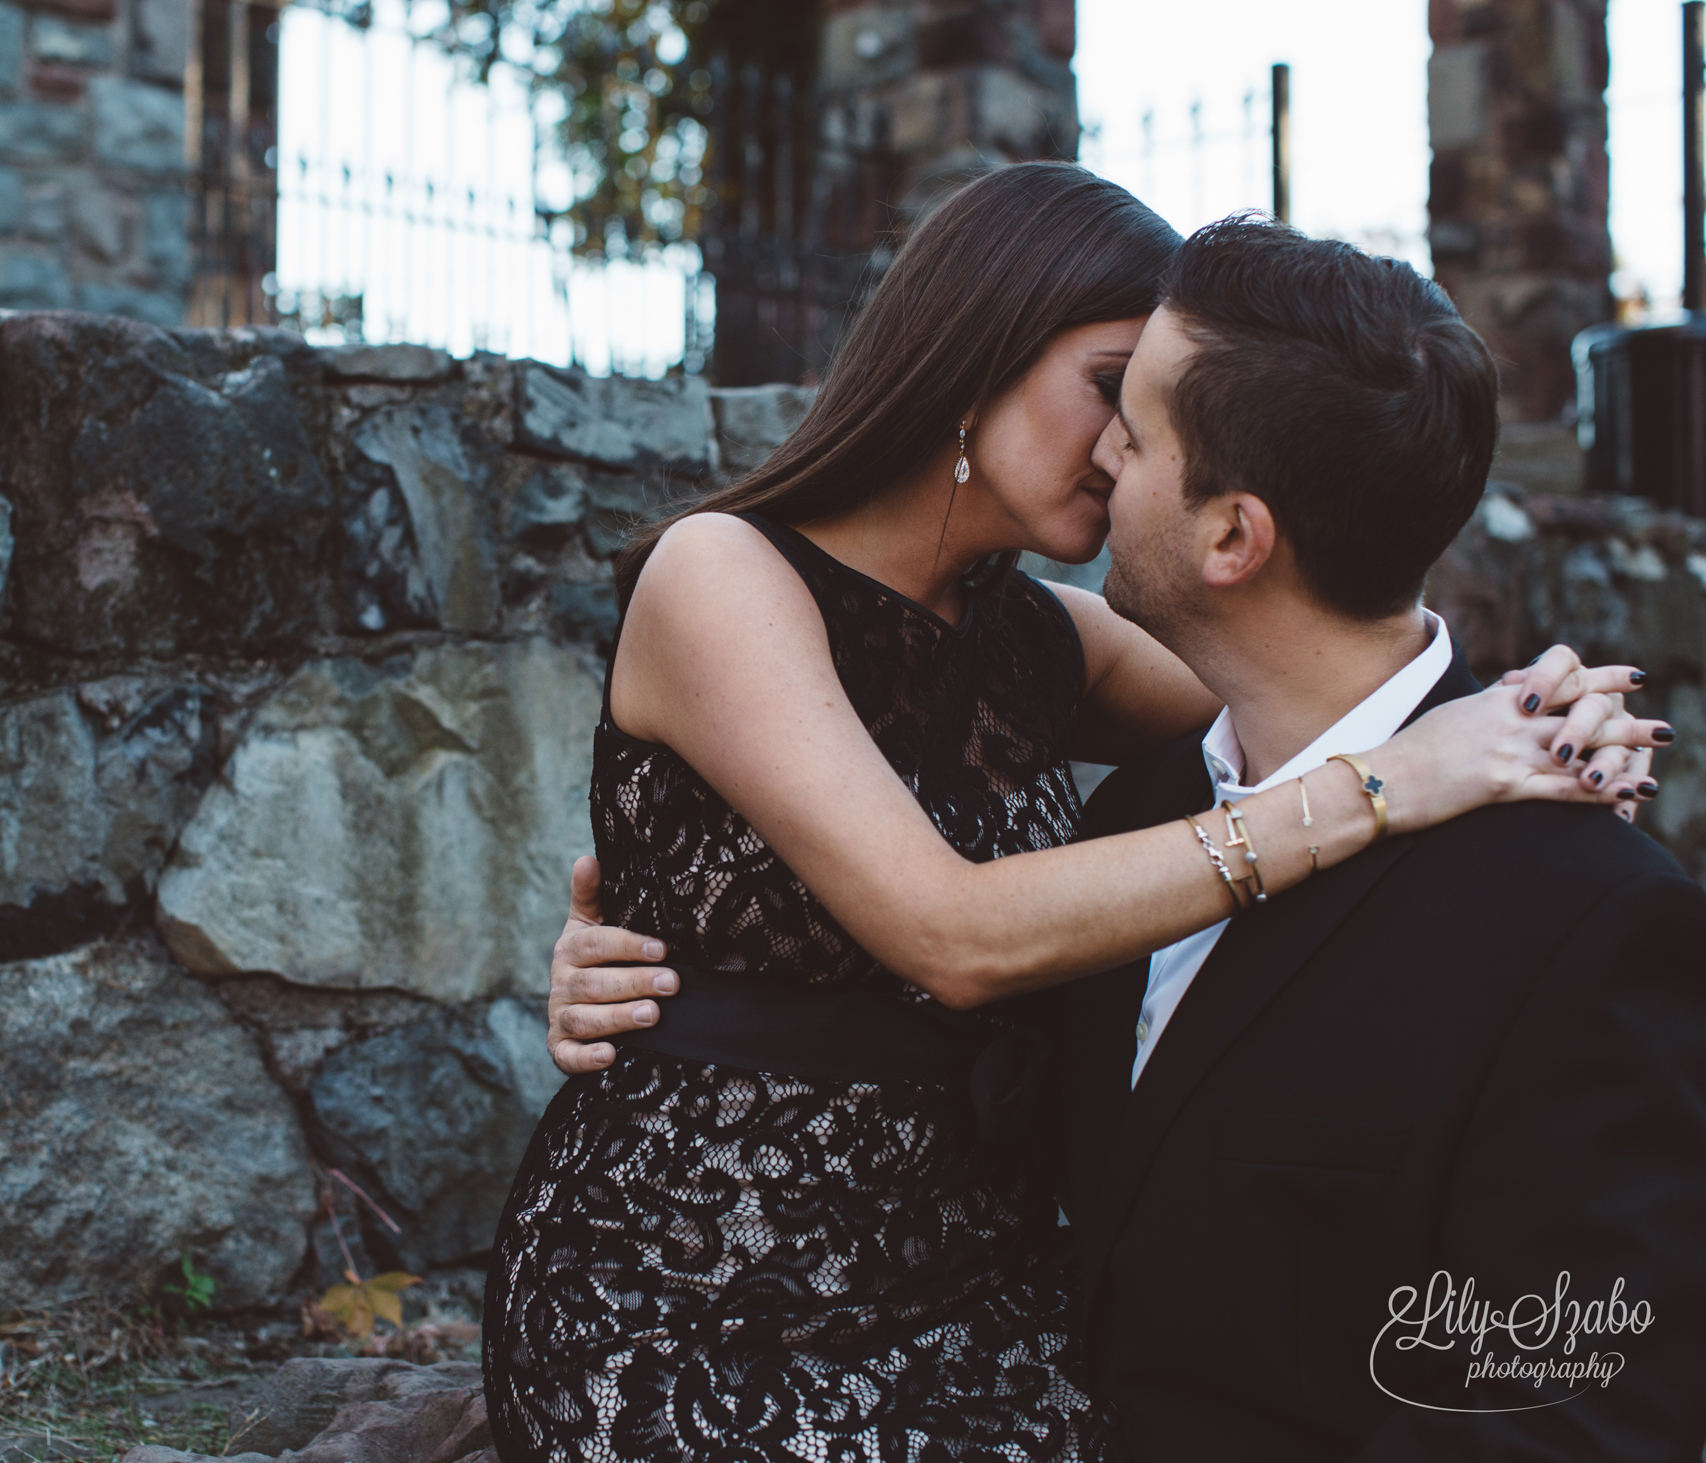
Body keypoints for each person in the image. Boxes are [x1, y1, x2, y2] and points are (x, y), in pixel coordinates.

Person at [536, 215, 1706, 1461]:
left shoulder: (1574, 913)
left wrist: (1538, 714)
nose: (1106, 450)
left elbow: (1584, 1407)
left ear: (1229, 533)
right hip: (708, 1298)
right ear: (968, 350)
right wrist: (676, 986)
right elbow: (959, 929)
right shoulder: (1143, 808)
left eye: (1132, 421)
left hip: (980, 1343)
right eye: (1107, 391)